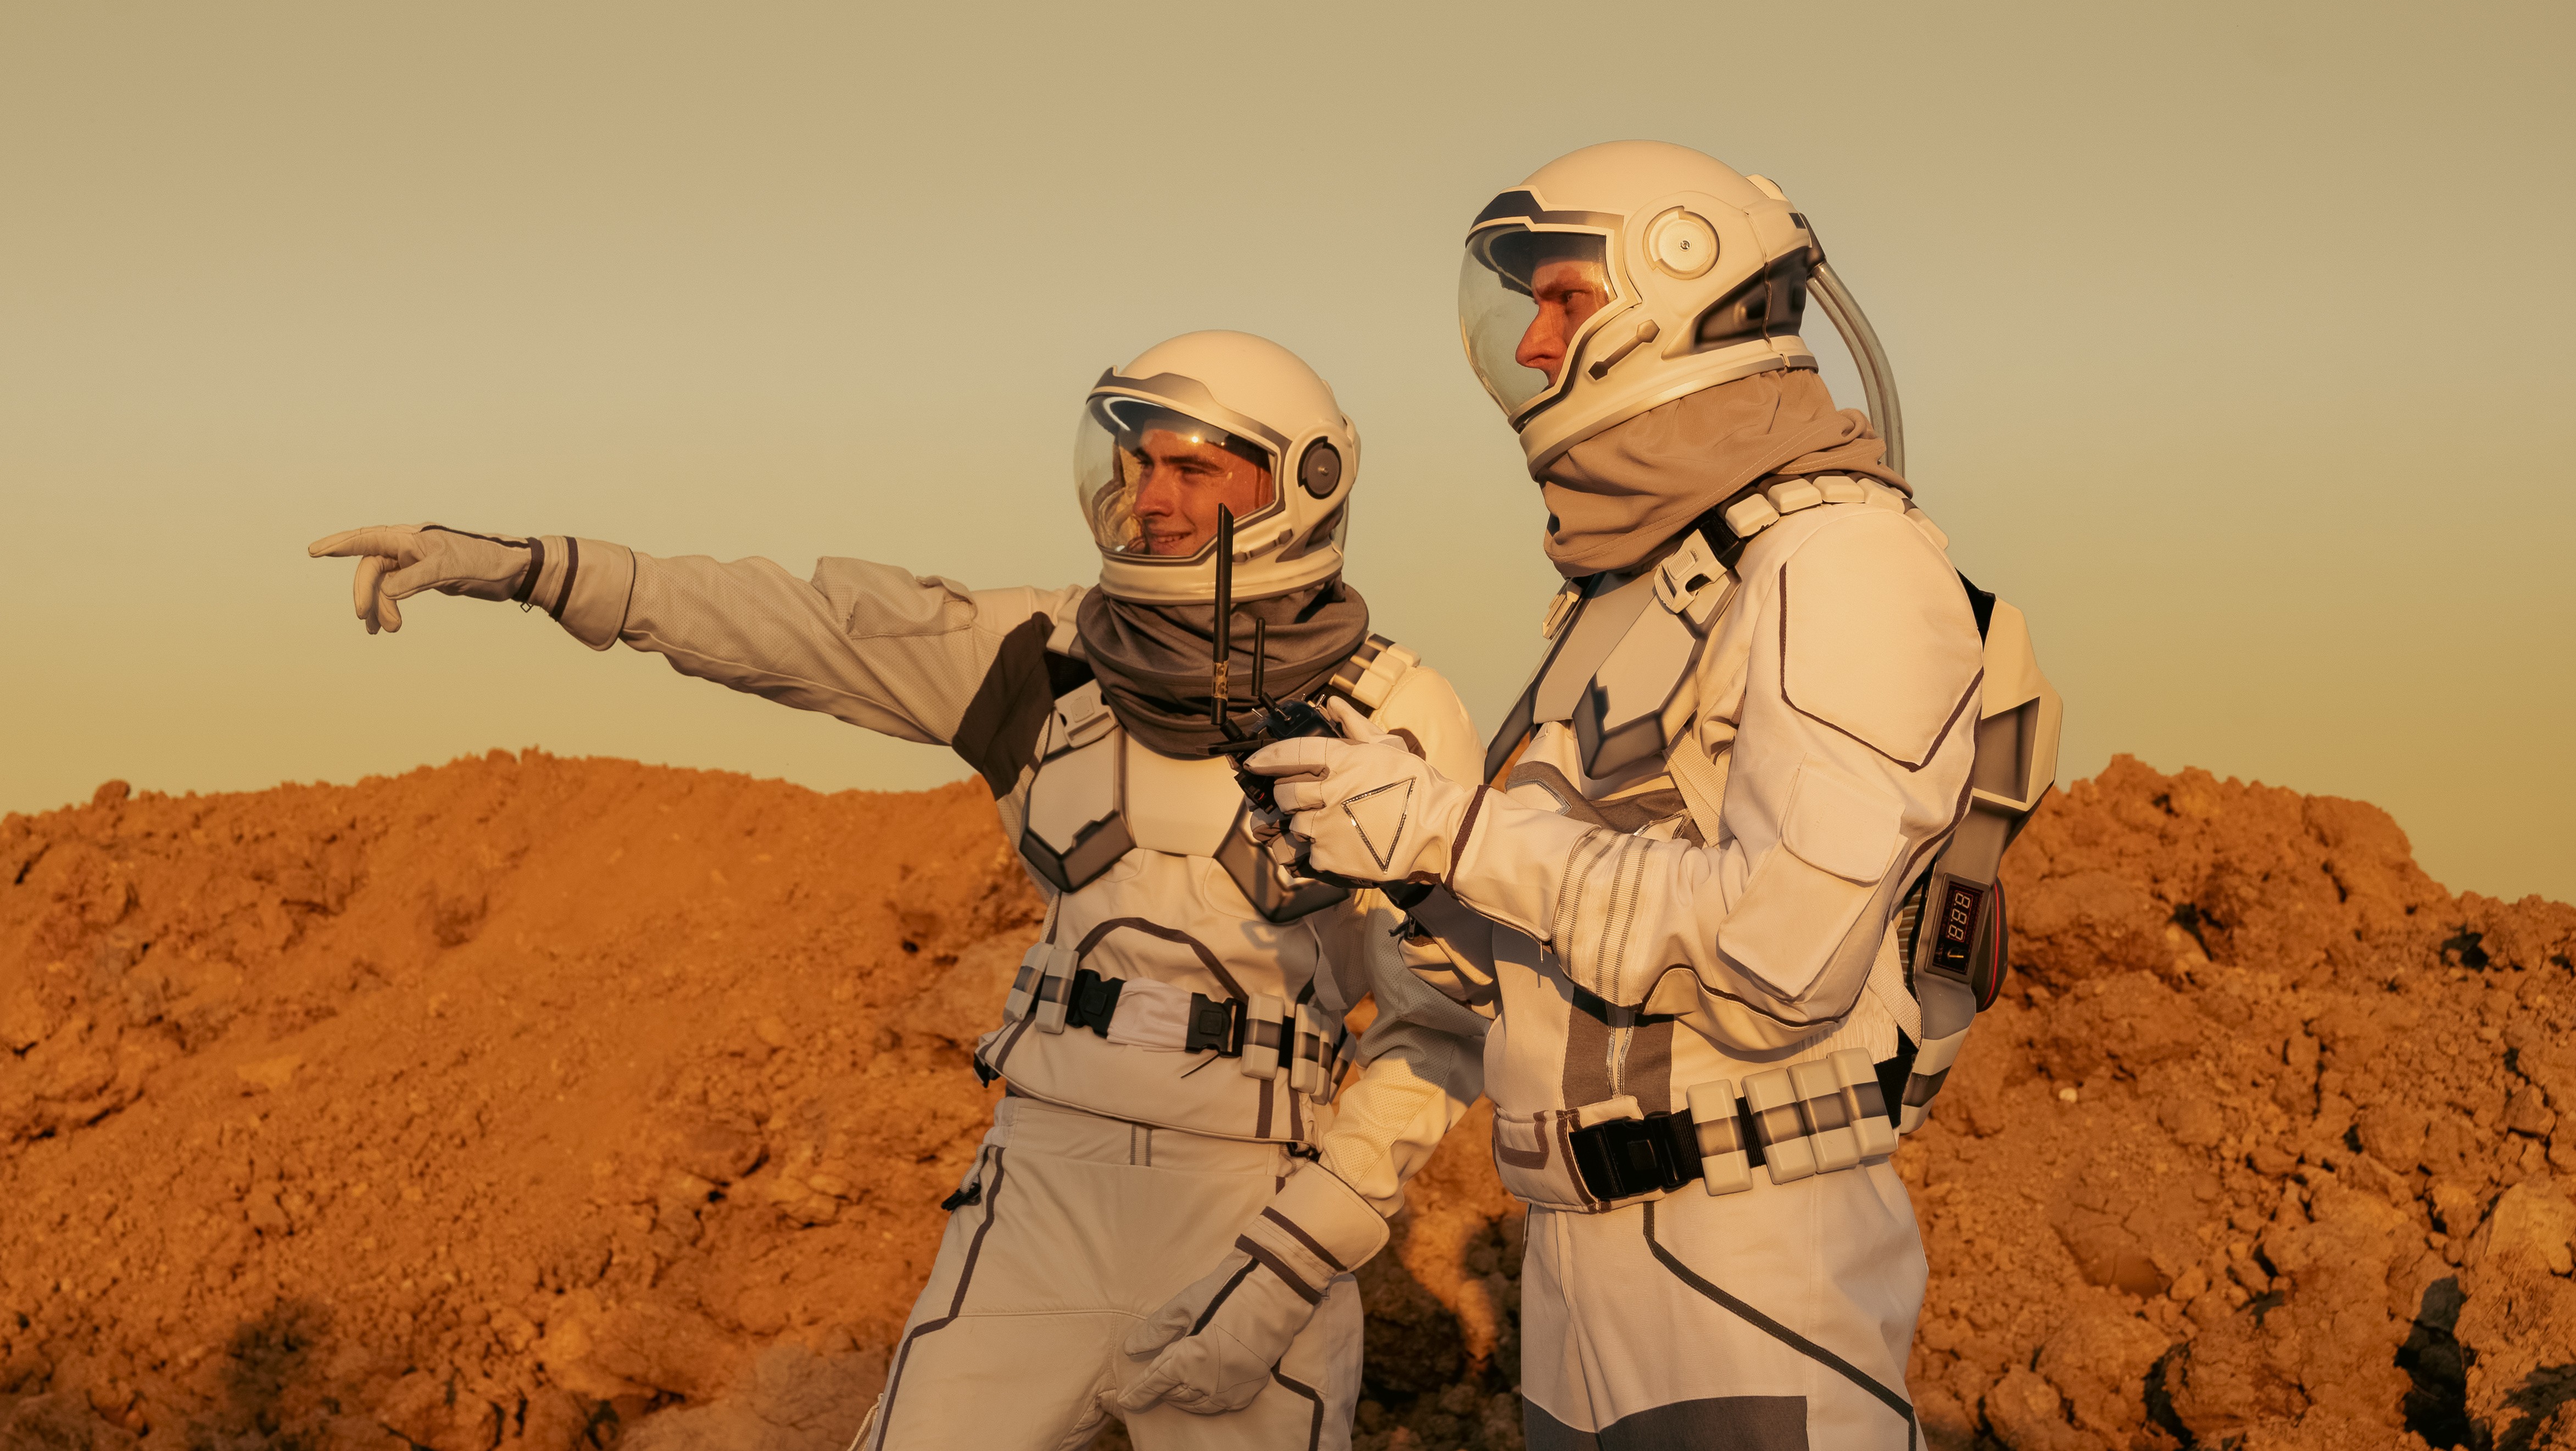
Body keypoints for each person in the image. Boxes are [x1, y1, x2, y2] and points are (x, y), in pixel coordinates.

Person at [309, 330, 1490, 1451]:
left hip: (1257, 1203)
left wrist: (1300, 1250)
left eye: (1192, 467)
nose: (1151, 497)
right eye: (1137, 465)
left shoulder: (1394, 713)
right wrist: (528, 568)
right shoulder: (1040, 654)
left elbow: (1444, 1023)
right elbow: (791, 623)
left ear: (1304, 481)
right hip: (1042, 1188)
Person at [1251, 144, 2059, 1449]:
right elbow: (1543, 941)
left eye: (1560, 300)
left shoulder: (1839, 556)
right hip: (1579, 1262)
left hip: (1746, 1254)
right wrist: (1401, 862)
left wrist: (1451, 829)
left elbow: (1778, 956)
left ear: (1676, 279)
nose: (1526, 345)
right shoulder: (1634, 586)